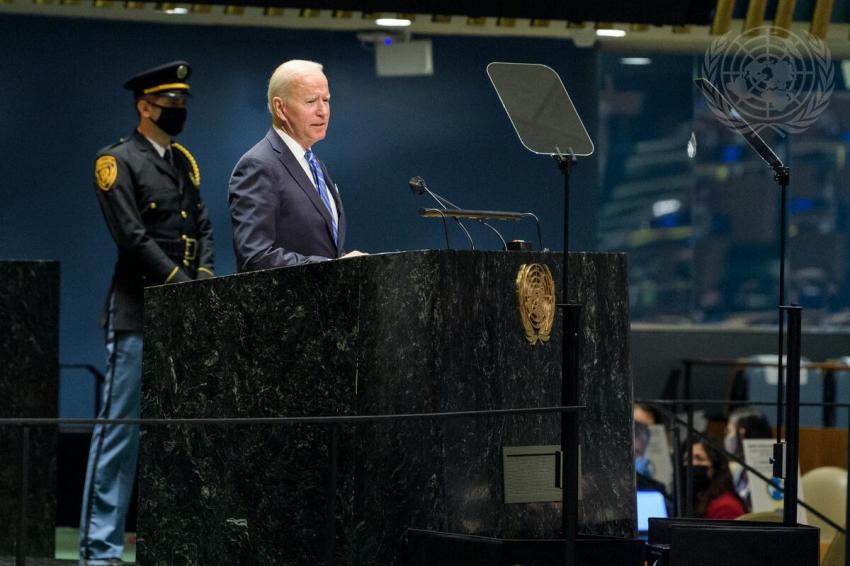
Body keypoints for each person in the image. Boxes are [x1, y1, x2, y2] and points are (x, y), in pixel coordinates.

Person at [81, 60, 215, 565]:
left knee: (180, 436)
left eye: (182, 103)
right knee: (120, 432)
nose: (178, 110)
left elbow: (202, 228)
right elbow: (132, 239)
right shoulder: (116, 161)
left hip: (184, 317)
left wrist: (202, 282)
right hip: (137, 313)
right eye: (168, 103)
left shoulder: (182, 162)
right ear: (144, 106)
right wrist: (178, 284)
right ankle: (99, 549)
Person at [228, 59, 364, 271]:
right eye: (311, 101)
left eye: (326, 100)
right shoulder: (258, 166)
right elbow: (255, 257)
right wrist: (333, 268)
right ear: (280, 108)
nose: (323, 111)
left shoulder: (314, 164)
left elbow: (321, 249)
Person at [723, 407, 772, 509]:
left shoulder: (763, 473)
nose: (726, 437)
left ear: (742, 434)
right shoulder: (736, 468)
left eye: (728, 431)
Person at [684, 439, 746, 520]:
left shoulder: (725, 507)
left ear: (715, 466)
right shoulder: (697, 500)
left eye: (699, 458)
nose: (692, 463)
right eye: (686, 459)